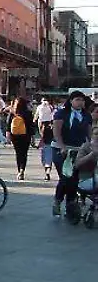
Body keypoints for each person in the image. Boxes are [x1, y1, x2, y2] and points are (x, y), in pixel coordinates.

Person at [52, 91, 92, 222]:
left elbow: (89, 134)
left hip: (78, 150)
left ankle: (70, 207)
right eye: (77, 99)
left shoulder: (86, 115)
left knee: (74, 180)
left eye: (82, 100)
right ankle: (58, 201)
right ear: (71, 101)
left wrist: (91, 148)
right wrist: (62, 146)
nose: (80, 102)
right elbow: (56, 132)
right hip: (61, 149)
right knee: (65, 177)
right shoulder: (61, 114)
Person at [8, 97, 35, 181]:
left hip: (15, 135)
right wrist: (33, 138)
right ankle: (22, 170)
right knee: (24, 153)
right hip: (25, 135)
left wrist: (8, 136)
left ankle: (19, 170)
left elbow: (8, 125)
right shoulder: (28, 113)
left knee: (18, 153)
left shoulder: (12, 113)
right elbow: (31, 126)